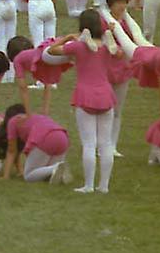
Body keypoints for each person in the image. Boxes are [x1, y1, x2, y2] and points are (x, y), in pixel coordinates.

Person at [43, 11, 118, 194]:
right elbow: (120, 55)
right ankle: (104, 186)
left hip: (85, 95)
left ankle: (89, 185)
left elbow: (51, 51)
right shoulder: (107, 47)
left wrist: (67, 37)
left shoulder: (77, 47)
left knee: (89, 143)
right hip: (106, 94)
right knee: (106, 143)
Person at [0, 103, 72, 184]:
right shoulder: (37, 117)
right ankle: (58, 171)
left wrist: (5, 176)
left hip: (44, 139)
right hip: (63, 137)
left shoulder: (13, 121)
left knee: (29, 175)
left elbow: (11, 151)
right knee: (47, 174)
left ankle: (55, 167)